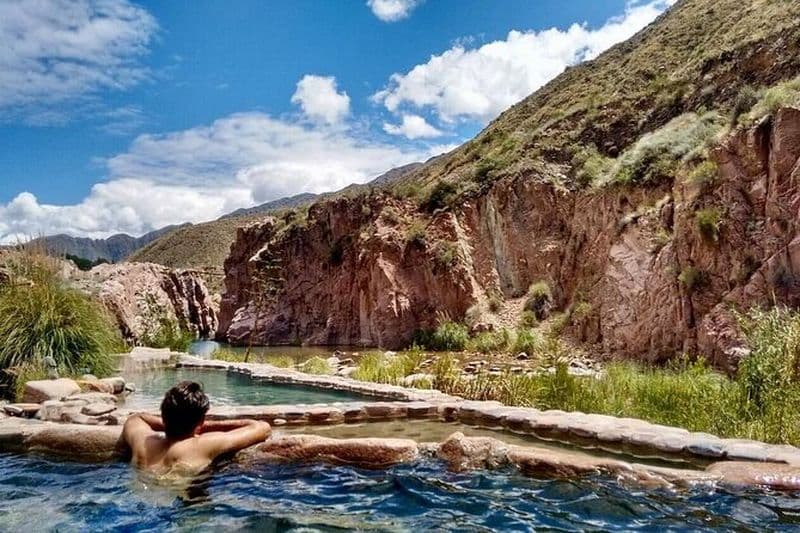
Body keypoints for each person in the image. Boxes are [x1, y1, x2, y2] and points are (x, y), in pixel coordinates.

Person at [122, 381, 270, 474]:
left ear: (164, 414)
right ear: (200, 422)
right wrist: (205, 427)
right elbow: (262, 428)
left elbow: (136, 417)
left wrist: (172, 423)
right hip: (182, 510)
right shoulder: (202, 445)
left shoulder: (144, 444)